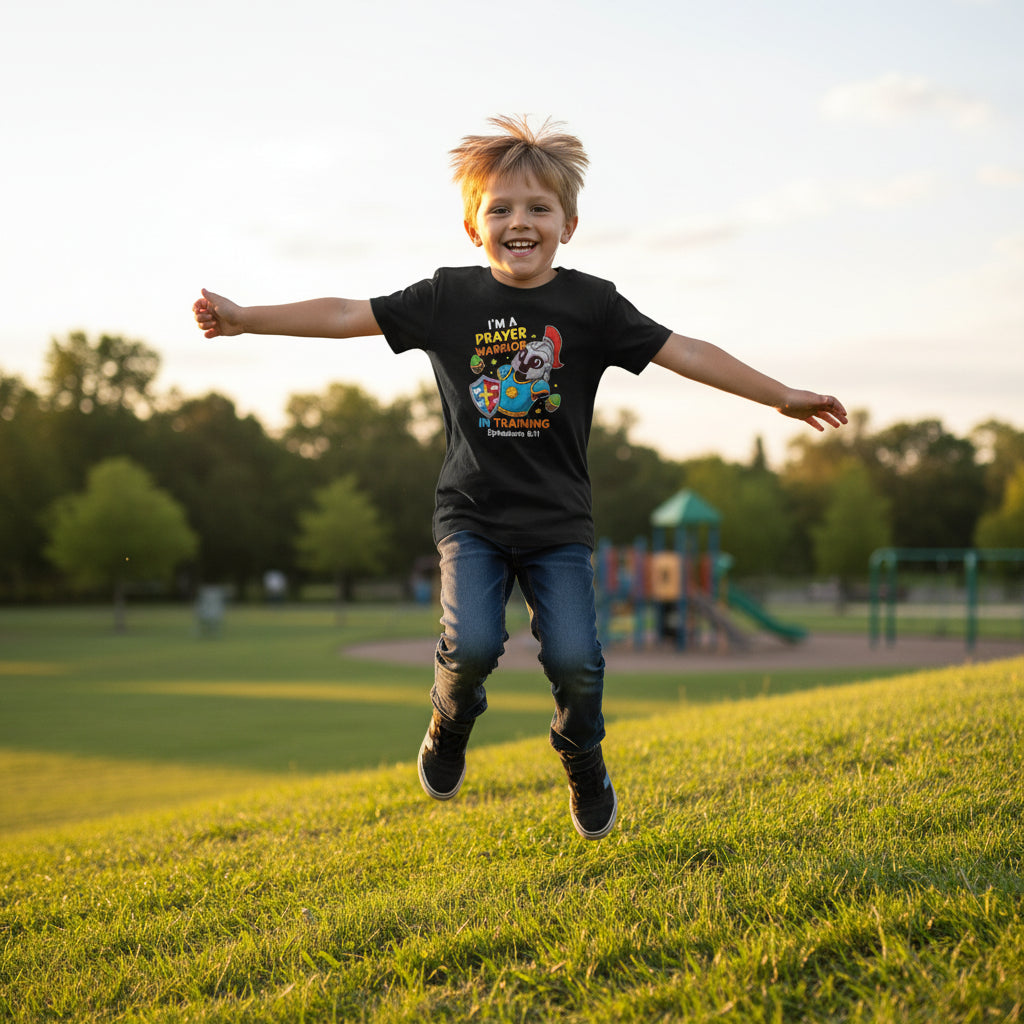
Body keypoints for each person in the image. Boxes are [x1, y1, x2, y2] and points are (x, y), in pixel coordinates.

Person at [192, 115, 847, 840]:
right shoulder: (447, 297)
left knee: (575, 660)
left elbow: (684, 351)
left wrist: (781, 395)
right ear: (473, 227)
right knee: (471, 646)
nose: (519, 221)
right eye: (499, 208)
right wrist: (246, 317)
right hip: (470, 515)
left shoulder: (592, 305)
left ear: (569, 222)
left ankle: (582, 757)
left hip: (557, 524)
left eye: (538, 207)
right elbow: (349, 312)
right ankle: (449, 720)